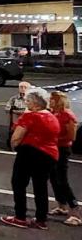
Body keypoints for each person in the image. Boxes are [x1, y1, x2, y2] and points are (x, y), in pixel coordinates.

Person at [1, 89, 60, 230]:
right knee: (41, 187)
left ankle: (20, 217)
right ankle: (41, 219)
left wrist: (14, 146)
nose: (26, 103)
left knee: (19, 183)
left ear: (35, 103)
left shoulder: (30, 117)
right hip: (49, 154)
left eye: (28, 101)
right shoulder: (52, 116)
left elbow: (16, 137)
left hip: (30, 152)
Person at [47, 91, 80, 226]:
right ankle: (62, 206)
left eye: (52, 99)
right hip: (53, 149)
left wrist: (54, 140)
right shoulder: (53, 113)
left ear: (58, 101)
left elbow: (71, 136)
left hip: (62, 149)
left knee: (62, 180)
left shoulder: (67, 115)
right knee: (54, 178)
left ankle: (76, 213)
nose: (50, 101)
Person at [5, 81, 31, 150]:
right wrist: (16, 111)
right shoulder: (13, 99)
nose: (23, 89)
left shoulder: (30, 99)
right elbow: (7, 108)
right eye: (21, 87)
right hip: (15, 122)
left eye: (25, 87)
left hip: (27, 123)